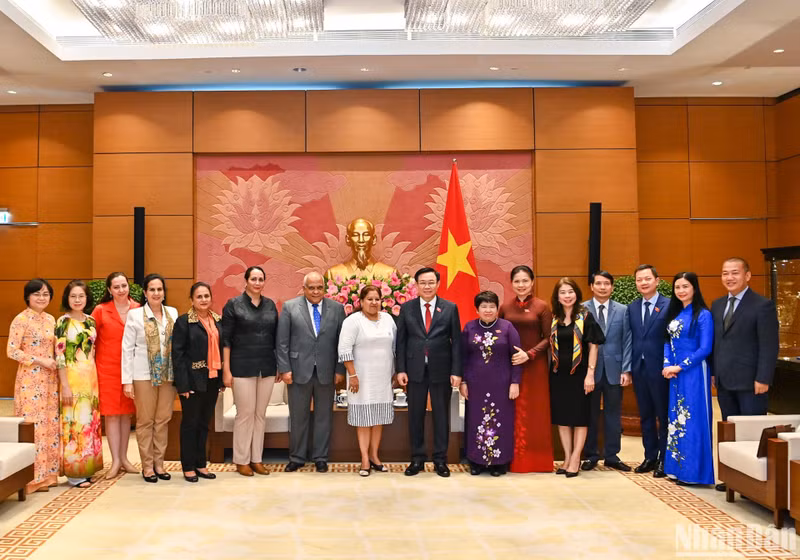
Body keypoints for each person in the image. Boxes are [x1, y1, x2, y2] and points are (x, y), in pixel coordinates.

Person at [711, 257, 779, 492]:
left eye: (735, 273)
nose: (729, 277)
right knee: (730, 431)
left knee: (752, 434)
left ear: (747, 275)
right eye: (725, 273)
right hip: (724, 381)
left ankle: (753, 485)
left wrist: (764, 378)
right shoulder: (717, 304)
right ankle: (732, 478)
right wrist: (714, 373)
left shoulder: (762, 305)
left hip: (752, 382)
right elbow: (717, 343)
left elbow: (769, 346)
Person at [276, 271, 345, 473]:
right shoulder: (289, 307)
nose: (315, 292)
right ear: (304, 288)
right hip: (298, 371)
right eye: (311, 288)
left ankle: (320, 457)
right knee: (298, 416)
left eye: (319, 288)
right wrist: (285, 369)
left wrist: (340, 369)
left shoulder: (337, 309)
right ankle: (297, 457)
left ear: (325, 289)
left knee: (324, 416)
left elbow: (342, 343)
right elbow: (282, 342)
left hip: (327, 371)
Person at [396, 267, 462, 477]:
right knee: (415, 416)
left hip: (441, 369)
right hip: (414, 370)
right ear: (416, 285)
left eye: (431, 282)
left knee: (441, 416)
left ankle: (440, 460)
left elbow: (456, 342)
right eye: (423, 282)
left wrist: (456, 371)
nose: (427, 286)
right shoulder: (406, 308)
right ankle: (417, 459)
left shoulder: (450, 308)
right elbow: (401, 342)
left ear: (438, 284)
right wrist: (400, 369)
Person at [222, 266, 279, 477]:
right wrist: (226, 370)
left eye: (260, 279)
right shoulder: (233, 305)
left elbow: (276, 338)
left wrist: (279, 365)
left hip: (267, 366)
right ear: (245, 281)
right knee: (245, 414)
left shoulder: (270, 305)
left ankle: (256, 459)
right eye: (253, 279)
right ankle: (241, 460)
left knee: (260, 415)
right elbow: (226, 340)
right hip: (241, 366)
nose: (257, 282)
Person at [122, 273, 179, 483]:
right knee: (145, 421)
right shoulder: (135, 315)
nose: (156, 293)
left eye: (159, 289)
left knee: (163, 420)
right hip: (143, 375)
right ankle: (147, 466)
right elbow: (127, 349)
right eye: (152, 289)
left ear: (164, 292)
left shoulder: (172, 312)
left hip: (168, 375)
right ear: (145, 293)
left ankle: (159, 464)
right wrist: (127, 381)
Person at [499, 265, 554, 473]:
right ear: (511, 283)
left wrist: (529, 354)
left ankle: (537, 460)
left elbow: (549, 338)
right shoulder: (505, 307)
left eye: (525, 280)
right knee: (512, 411)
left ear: (532, 282)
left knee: (536, 412)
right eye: (517, 281)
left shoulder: (542, 306)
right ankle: (512, 458)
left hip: (535, 366)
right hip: (511, 366)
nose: (521, 285)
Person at [460, 291, 522, 476]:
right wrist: (463, 381)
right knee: (476, 420)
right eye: (484, 306)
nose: (488, 310)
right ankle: (476, 461)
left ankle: (499, 463)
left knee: (501, 420)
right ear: (477, 309)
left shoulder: (507, 327)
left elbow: (517, 357)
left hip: (502, 384)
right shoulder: (469, 327)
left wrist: (515, 382)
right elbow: (463, 357)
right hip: (476, 385)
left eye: (492, 306)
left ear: (497, 308)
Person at [338, 285, 397, 477]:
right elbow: (344, 350)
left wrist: (395, 373)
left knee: (378, 418)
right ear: (361, 302)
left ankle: (374, 456)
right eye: (369, 299)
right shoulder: (353, 321)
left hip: (383, 378)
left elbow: (395, 347)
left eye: (377, 299)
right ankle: (364, 459)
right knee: (364, 420)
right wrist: (353, 375)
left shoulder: (388, 319)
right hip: (360, 378)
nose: (373, 302)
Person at [7, 279, 59, 494]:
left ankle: (48, 475)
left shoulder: (51, 319)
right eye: (37, 294)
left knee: (50, 425)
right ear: (28, 297)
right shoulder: (21, 319)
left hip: (50, 380)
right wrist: (39, 360)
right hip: (30, 380)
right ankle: (32, 478)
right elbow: (12, 350)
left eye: (46, 294)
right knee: (34, 427)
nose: (41, 297)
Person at [662, 272, 714, 486]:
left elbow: (705, 349)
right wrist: (667, 365)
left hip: (694, 373)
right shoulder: (676, 313)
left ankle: (695, 473)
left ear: (694, 288)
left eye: (685, 286)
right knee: (676, 419)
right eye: (677, 287)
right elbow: (667, 341)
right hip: (675, 374)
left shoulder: (703, 314)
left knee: (693, 419)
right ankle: (676, 468)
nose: (681, 291)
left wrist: (680, 366)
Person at [549, 277, 604, 478]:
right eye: (562, 292)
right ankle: (566, 457)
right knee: (563, 417)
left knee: (580, 417)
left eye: (570, 292)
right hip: (558, 375)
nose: (567, 296)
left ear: (577, 294)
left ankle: (575, 458)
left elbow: (594, 346)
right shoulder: (554, 318)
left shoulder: (585, 316)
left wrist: (590, 374)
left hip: (580, 375)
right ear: (557, 296)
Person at [172, 282, 224, 483]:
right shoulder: (184, 322)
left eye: (206, 296)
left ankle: (201, 464)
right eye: (199, 296)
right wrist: (183, 385)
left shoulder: (217, 320)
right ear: (192, 300)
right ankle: (188, 467)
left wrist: (221, 379)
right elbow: (178, 356)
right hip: (192, 382)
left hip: (212, 380)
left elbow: (222, 349)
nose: (203, 300)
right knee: (190, 424)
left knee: (204, 423)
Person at [581, 271, 632, 472]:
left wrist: (626, 369)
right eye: (599, 283)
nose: (603, 287)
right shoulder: (582, 309)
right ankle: (591, 455)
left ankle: (612, 456)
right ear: (592, 286)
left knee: (613, 414)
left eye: (607, 284)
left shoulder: (623, 310)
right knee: (590, 414)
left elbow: (627, 341)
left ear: (612, 287)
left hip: (615, 370)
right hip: (590, 372)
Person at [91, 271, 140, 479]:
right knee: (112, 415)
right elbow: (90, 340)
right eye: (116, 287)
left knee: (126, 414)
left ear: (129, 287)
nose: (121, 290)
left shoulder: (138, 308)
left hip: (132, 370)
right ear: (109, 290)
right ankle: (115, 461)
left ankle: (125, 458)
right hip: (107, 370)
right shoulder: (101, 310)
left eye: (124, 286)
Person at [55, 280, 103, 488]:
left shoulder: (91, 321)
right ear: (67, 298)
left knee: (90, 423)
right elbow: (59, 356)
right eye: (73, 296)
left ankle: (88, 468)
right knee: (74, 423)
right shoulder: (62, 322)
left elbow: (93, 350)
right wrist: (64, 384)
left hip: (90, 378)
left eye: (81, 296)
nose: (77, 300)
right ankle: (74, 473)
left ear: (87, 298)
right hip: (72, 379)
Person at [627, 264, 671, 478]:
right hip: (639, 369)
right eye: (639, 280)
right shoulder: (632, 307)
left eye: (647, 279)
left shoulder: (669, 305)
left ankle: (664, 458)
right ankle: (650, 456)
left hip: (661, 369)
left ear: (657, 281)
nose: (643, 283)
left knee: (663, 415)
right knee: (645, 415)